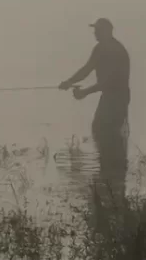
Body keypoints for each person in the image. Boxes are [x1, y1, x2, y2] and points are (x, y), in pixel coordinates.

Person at [59, 18, 131, 229]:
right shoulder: (99, 49)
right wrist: (69, 82)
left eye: (98, 30)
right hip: (108, 97)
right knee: (100, 130)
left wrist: (83, 93)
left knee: (105, 132)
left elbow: (109, 81)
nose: (95, 33)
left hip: (117, 98)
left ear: (108, 31)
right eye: (95, 31)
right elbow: (87, 68)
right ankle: (110, 175)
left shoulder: (117, 51)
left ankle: (114, 178)